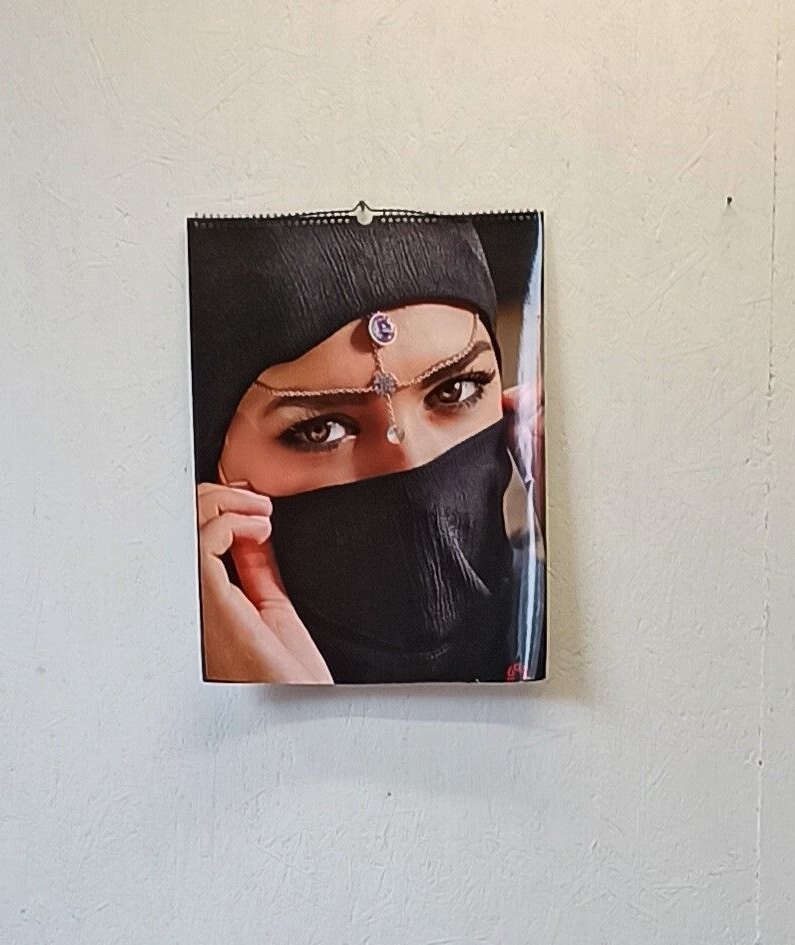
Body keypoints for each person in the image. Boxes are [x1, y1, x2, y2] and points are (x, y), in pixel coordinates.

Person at [188, 215, 542, 684]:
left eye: (455, 390)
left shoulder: (563, 620)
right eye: (321, 430)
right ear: (212, 464)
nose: (409, 459)